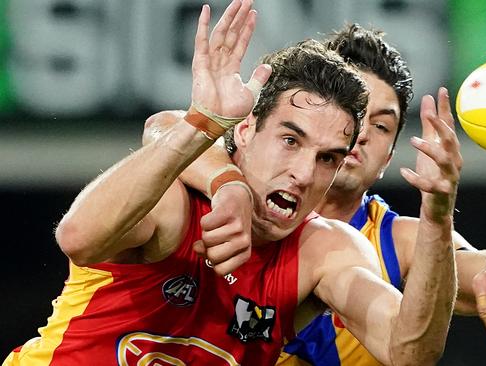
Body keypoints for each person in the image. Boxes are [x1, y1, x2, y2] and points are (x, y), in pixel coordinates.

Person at [4, 2, 460, 366]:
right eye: (289, 140)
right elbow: (77, 237)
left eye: (327, 158)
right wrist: (207, 132)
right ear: (244, 130)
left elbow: (409, 351)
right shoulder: (175, 203)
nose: (304, 173)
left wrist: (438, 219)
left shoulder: (323, 251)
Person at [143, 24, 486, 365]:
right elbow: (165, 129)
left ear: (389, 157)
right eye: (352, 114)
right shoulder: (221, 183)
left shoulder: (396, 243)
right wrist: (228, 185)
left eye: (380, 126)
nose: (359, 134)